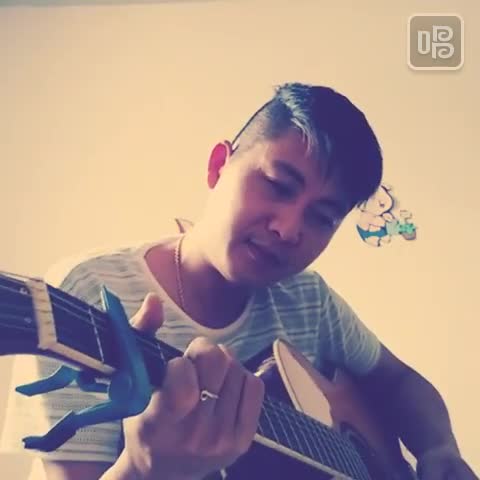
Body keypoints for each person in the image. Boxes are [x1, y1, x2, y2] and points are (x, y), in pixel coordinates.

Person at [1, 83, 477, 480]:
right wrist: (144, 470)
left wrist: (439, 447)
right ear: (218, 166)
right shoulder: (86, 292)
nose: (288, 229)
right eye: (278, 185)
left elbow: (400, 380)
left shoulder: (308, 300)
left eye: (322, 217)